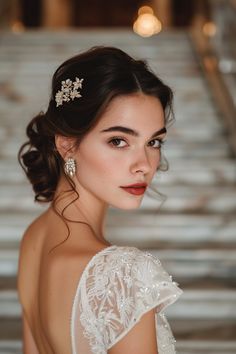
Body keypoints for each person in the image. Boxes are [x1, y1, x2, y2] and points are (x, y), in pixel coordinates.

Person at [17, 46, 183, 354]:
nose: (145, 164)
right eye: (119, 141)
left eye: (153, 142)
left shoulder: (35, 238)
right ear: (67, 144)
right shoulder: (123, 273)